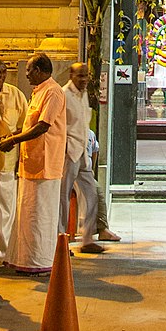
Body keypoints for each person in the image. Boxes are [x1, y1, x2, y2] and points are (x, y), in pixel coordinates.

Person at [0, 54, 67, 275]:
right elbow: (30, 126)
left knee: (40, 217)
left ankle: (39, 262)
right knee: (27, 215)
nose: (26, 74)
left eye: (29, 70)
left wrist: (13, 140)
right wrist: (12, 136)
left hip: (45, 165)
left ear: (39, 70)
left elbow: (42, 126)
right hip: (30, 163)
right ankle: (25, 260)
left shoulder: (53, 92)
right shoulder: (38, 92)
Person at [0, 57, 27, 264]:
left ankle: (4, 254)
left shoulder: (16, 95)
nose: (0, 76)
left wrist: (12, 138)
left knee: (6, 209)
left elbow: (26, 127)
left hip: (8, 161)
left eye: (3, 72)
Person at [60, 62, 101, 256]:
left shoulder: (83, 94)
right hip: (69, 153)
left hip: (82, 152)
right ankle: (60, 243)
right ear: (71, 75)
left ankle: (87, 239)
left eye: (86, 76)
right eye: (80, 76)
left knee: (92, 193)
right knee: (63, 198)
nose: (84, 80)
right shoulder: (64, 95)